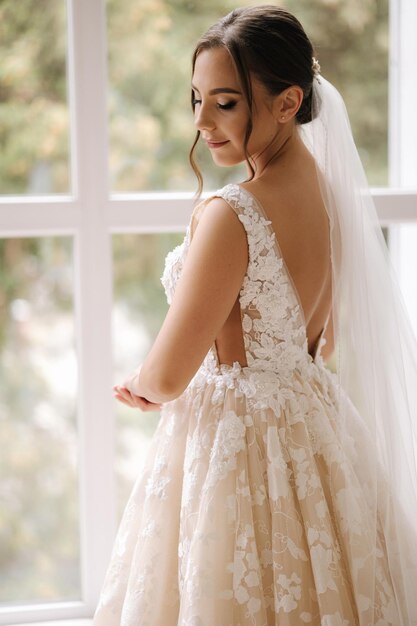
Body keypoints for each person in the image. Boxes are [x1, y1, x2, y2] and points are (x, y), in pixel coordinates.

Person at [92, 6, 417, 625]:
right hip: (316, 425)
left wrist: (140, 385)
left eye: (226, 103)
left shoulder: (232, 213)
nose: (201, 122)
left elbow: (168, 376)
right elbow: (324, 330)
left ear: (288, 102)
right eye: (196, 99)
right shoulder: (327, 190)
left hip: (237, 446)